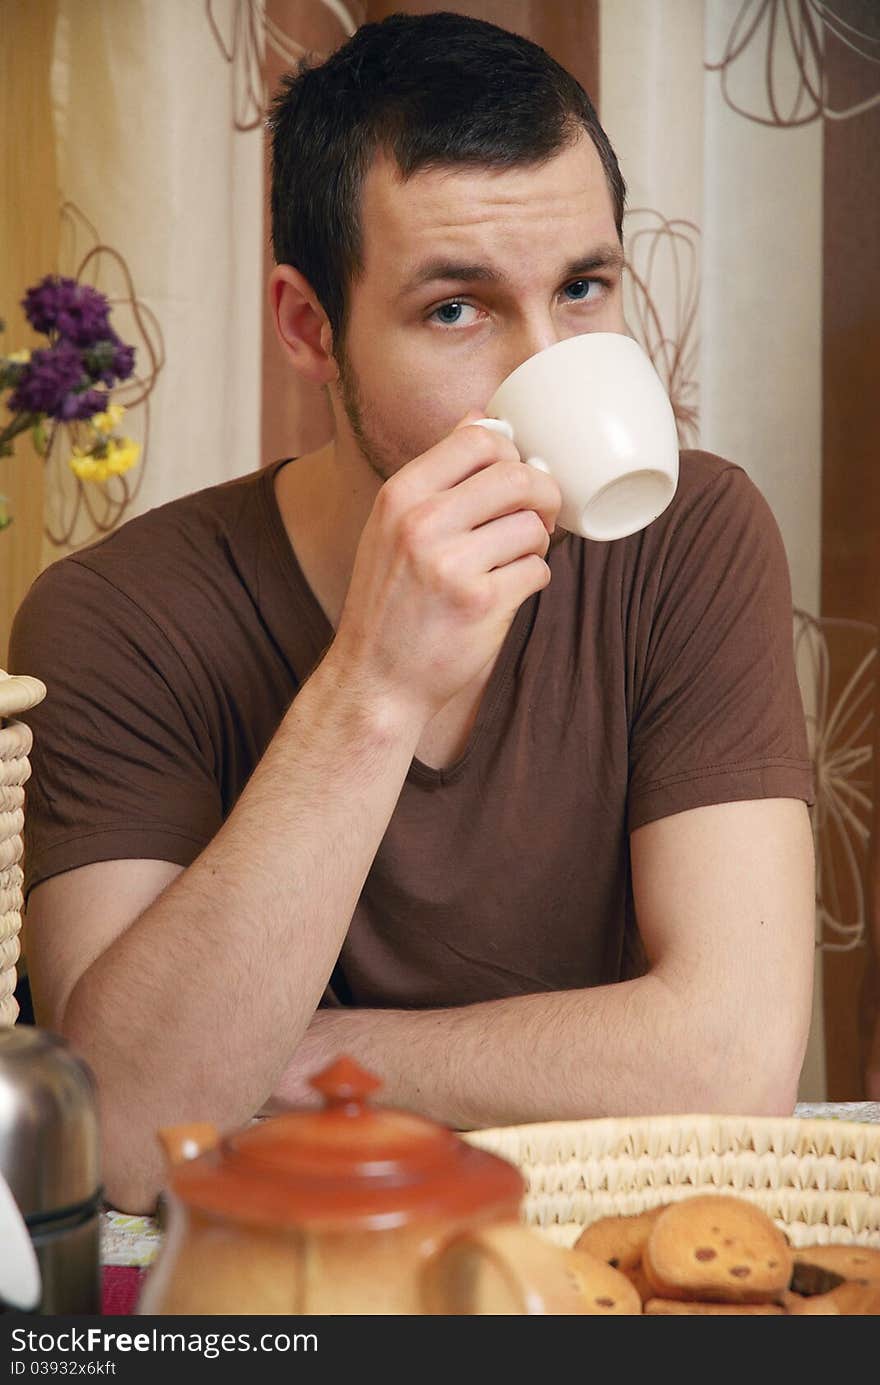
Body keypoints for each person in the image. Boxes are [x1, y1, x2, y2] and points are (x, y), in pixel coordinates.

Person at [9, 11, 816, 1214]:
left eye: (584, 288)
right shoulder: (113, 616)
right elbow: (129, 1133)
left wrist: (279, 1063)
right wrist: (372, 688)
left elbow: (731, 1060)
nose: (543, 364)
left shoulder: (689, 536)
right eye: (457, 309)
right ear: (307, 325)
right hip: (281, 1261)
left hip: (588, 1247)